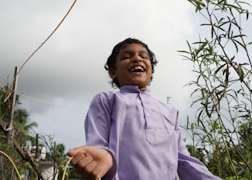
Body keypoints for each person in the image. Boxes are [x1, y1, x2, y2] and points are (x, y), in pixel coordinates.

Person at [67, 38, 222, 180]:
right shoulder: (106, 101)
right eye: (127, 56)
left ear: (152, 71)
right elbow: (97, 147)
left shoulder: (169, 111)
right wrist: (101, 159)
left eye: (144, 56)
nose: (137, 58)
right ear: (113, 72)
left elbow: (183, 160)